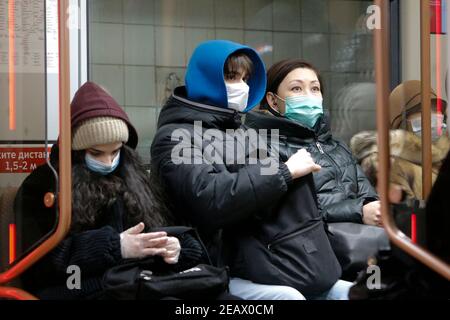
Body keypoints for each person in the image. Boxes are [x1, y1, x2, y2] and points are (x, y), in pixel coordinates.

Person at [151, 40, 345, 299]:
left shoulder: (241, 132)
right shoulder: (175, 137)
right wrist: (284, 172)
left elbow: (263, 193)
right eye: (231, 77)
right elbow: (210, 199)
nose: (241, 86)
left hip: (259, 257)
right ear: (206, 80)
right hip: (213, 266)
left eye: (246, 78)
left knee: (345, 291)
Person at [15, 82, 207, 300]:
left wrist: (175, 248)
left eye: (115, 151)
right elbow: (42, 266)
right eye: (96, 153)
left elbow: (168, 233)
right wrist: (115, 247)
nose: (108, 162)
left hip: (139, 284)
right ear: (74, 152)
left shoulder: (132, 177)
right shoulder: (44, 185)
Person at [246, 59, 381, 227]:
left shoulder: (337, 146)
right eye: (297, 88)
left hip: (356, 243)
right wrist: (358, 211)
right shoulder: (258, 146)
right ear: (273, 101)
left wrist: (372, 209)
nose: (309, 96)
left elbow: (369, 197)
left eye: (315, 88)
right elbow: (279, 215)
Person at [350, 80, 450, 201]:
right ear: (401, 123)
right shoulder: (385, 165)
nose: (434, 118)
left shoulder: (443, 158)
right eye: (423, 111)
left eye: (437, 112)